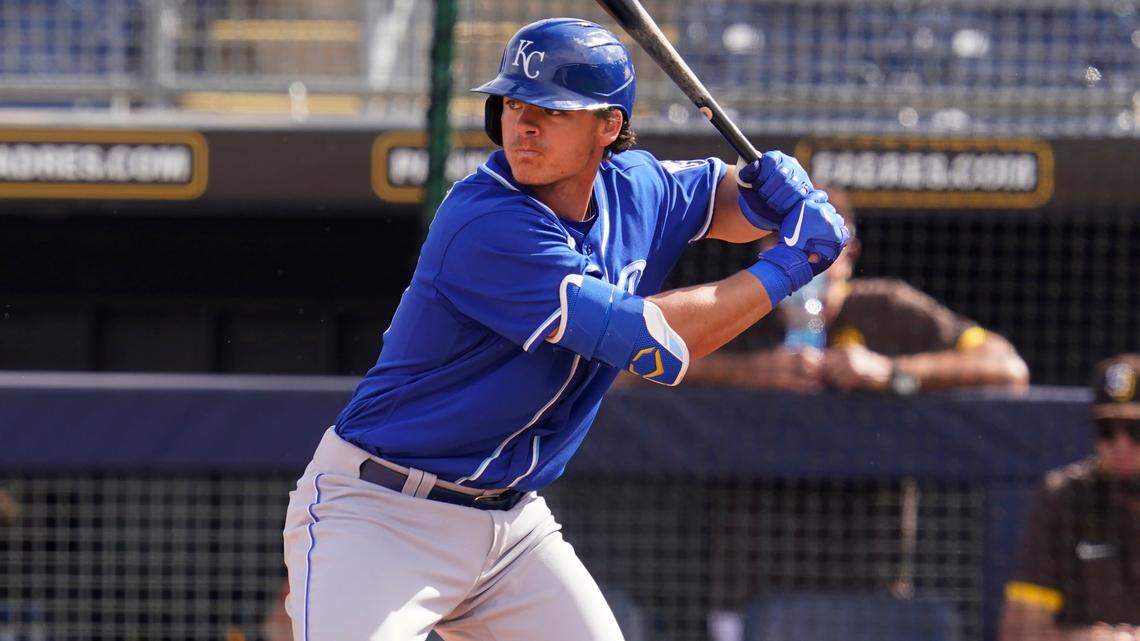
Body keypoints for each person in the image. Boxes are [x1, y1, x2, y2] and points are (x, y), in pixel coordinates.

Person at [281, 17, 848, 641]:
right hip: (384, 516)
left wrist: (764, 195)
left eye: (553, 110)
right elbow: (654, 343)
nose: (523, 124)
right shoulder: (486, 221)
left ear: (608, 126)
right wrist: (789, 264)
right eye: (515, 103)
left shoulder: (634, 187)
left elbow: (718, 198)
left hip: (511, 528)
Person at [682, 187, 1028, 394]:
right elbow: (637, 370)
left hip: (870, 508)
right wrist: (749, 372)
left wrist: (892, 373)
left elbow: (1008, 367)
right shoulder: (739, 307)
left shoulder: (886, 306)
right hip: (750, 506)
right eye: (786, 240)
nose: (804, 258)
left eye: (819, 242)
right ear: (763, 246)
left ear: (850, 254)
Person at [999, 353, 1140, 641]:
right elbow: (1018, 631)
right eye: (1107, 431)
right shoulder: (1064, 498)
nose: (1121, 444)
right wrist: (1089, 639)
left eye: (1136, 431)